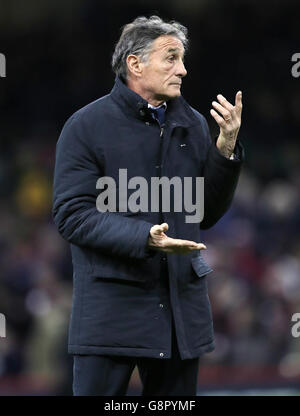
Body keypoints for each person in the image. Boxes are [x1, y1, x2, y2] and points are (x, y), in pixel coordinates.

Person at [52, 15, 244, 396]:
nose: (183, 70)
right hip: (111, 315)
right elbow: (72, 215)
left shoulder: (191, 122)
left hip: (179, 315)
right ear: (134, 64)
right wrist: (146, 238)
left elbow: (204, 212)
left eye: (183, 59)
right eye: (171, 58)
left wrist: (224, 150)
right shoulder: (86, 126)